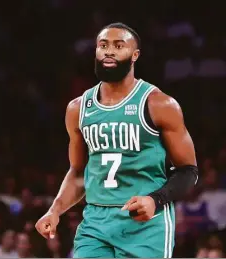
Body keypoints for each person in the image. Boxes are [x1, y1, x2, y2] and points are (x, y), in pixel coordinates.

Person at [35, 22, 198, 258]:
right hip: (95, 222)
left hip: (145, 224)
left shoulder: (159, 104)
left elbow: (188, 171)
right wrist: (55, 210)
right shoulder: (78, 109)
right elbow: (78, 172)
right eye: (103, 45)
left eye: (118, 46)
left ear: (135, 55)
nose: (108, 51)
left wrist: (155, 200)